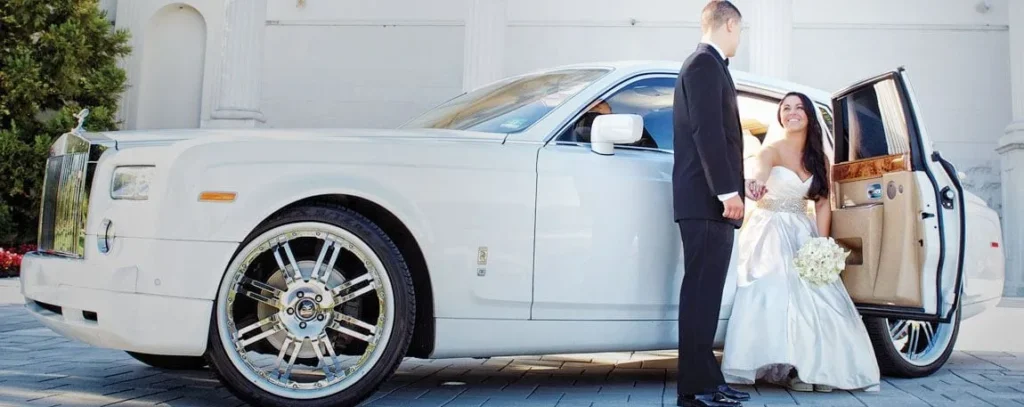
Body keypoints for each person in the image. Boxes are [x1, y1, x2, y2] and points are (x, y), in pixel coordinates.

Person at [719, 92, 881, 392]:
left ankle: (820, 368)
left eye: (799, 108)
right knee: (778, 288)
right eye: (786, 108)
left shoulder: (819, 158)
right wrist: (755, 184)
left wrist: (821, 243)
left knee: (821, 295)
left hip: (802, 229)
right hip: (769, 229)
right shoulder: (770, 151)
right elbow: (758, 175)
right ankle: (790, 366)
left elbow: (822, 203)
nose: (791, 113)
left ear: (809, 116)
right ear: (780, 116)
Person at [671, 1, 751, 406]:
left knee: (705, 294)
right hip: (706, 202)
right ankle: (698, 387)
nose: (740, 38)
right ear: (730, 24)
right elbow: (708, 133)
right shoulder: (704, 64)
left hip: (708, 201)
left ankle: (704, 381)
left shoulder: (709, 65)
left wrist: (739, 185)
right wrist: (726, 191)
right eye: (741, 30)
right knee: (701, 294)